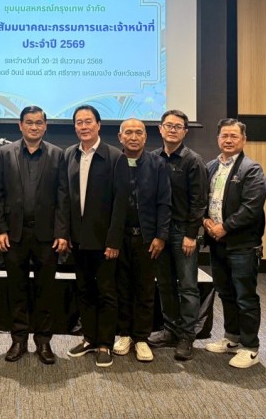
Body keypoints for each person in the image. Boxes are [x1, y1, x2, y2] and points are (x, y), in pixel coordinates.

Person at [0, 106, 67, 365]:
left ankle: (44, 341)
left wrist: (62, 232)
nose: (34, 127)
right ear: (20, 125)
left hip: (47, 236)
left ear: (45, 126)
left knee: (45, 290)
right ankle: (18, 340)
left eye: (38, 123)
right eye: (29, 122)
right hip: (14, 234)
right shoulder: (5, 153)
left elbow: (63, 196)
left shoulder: (57, 154)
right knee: (16, 288)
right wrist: (0, 229)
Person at [58, 105, 126, 368]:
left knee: (106, 292)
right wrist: (64, 233)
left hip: (104, 241)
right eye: (79, 122)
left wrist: (113, 241)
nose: (83, 126)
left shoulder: (115, 156)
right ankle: (89, 338)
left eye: (88, 121)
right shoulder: (69, 155)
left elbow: (120, 204)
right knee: (84, 289)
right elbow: (64, 198)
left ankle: (105, 343)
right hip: (78, 239)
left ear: (98, 124)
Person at [203, 118, 266, 368]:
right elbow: (202, 198)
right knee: (226, 292)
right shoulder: (211, 166)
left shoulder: (252, 169)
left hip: (242, 244)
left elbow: (252, 207)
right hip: (217, 242)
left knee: (245, 296)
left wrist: (225, 227)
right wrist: (205, 221)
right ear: (218, 138)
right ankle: (232, 338)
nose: (228, 140)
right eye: (224, 136)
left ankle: (250, 347)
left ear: (244, 140)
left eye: (234, 136)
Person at [149, 110, 207, 360]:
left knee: (187, 286)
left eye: (178, 126)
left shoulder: (193, 161)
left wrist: (192, 235)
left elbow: (199, 202)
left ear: (185, 131)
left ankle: (186, 335)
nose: (172, 130)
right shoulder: (152, 158)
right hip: (159, 232)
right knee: (164, 284)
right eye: (168, 125)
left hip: (184, 231)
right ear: (160, 129)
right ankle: (170, 330)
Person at [113, 118, 171, 364]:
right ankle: (125, 334)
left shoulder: (157, 164)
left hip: (147, 238)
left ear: (145, 137)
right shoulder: (114, 163)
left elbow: (164, 202)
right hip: (118, 238)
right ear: (120, 137)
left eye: (139, 132)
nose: (134, 137)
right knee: (122, 287)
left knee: (145, 289)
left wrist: (160, 236)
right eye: (129, 132)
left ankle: (141, 338)